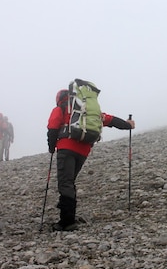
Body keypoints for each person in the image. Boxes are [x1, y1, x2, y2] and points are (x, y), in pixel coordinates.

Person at [47, 87, 135, 231]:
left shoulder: (61, 108)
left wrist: (51, 148)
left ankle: (67, 221)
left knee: (65, 182)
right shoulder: (87, 111)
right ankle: (67, 210)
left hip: (66, 148)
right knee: (69, 181)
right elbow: (109, 120)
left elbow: (52, 127)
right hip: (83, 150)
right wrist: (127, 125)